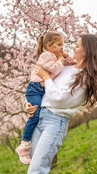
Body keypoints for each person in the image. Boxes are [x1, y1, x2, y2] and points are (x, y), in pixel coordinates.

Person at [25, 33, 97, 174]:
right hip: (41, 117)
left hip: (55, 122)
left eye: (77, 46)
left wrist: (48, 77)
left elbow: (58, 99)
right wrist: (31, 105)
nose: (72, 49)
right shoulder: (66, 67)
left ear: (87, 49)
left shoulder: (86, 76)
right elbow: (45, 93)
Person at [16, 31, 75, 164]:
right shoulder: (46, 55)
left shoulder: (55, 56)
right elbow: (54, 69)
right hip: (35, 90)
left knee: (37, 115)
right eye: (59, 45)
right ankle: (24, 145)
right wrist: (61, 59)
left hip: (42, 90)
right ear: (49, 46)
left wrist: (65, 55)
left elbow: (72, 63)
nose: (62, 47)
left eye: (62, 45)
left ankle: (30, 147)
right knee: (35, 116)